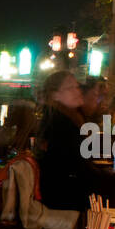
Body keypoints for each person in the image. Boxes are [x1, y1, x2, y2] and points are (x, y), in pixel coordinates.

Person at [34, 70, 93, 211]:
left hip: (68, 189)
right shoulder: (57, 122)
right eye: (70, 88)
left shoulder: (71, 117)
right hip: (63, 195)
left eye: (77, 86)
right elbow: (71, 164)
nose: (77, 91)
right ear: (55, 95)